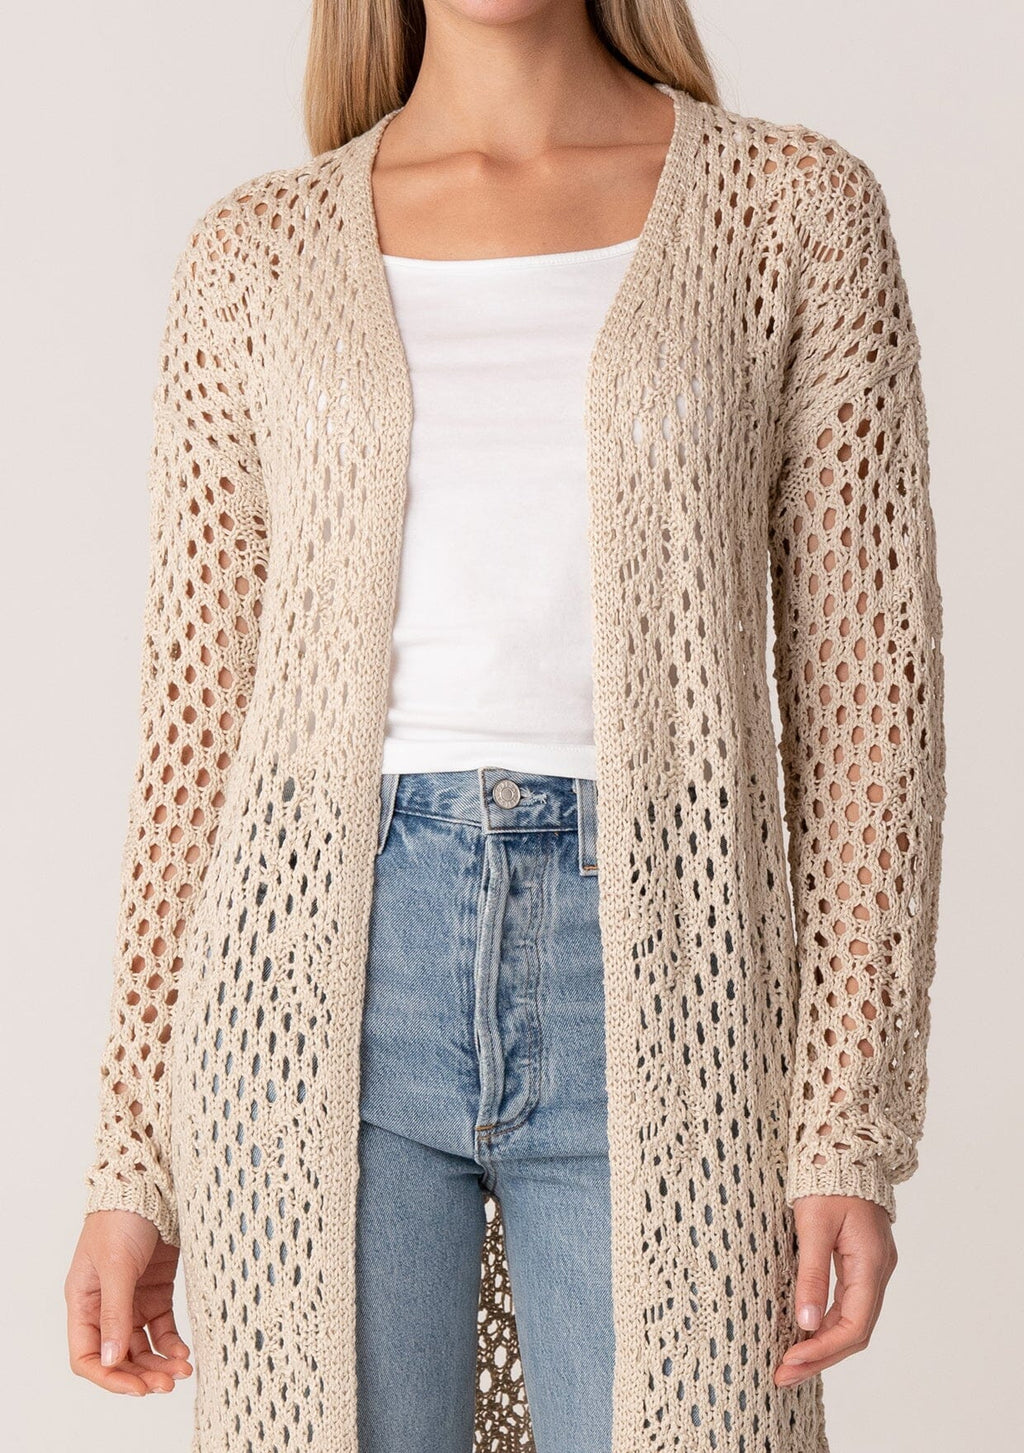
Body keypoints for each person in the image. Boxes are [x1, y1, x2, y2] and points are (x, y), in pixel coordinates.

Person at [64, 2, 946, 1450]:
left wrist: (847, 1116)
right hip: (309, 987)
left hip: (678, 973)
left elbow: (872, 711)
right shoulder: (254, 255)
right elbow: (193, 734)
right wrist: (131, 1159)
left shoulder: (795, 215)